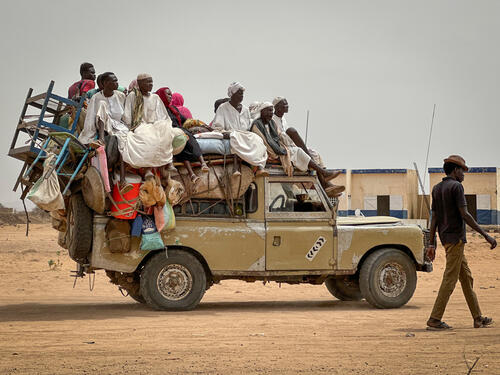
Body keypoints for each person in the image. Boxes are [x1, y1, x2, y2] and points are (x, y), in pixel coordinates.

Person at [426, 155, 497, 330]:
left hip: (446, 240)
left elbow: (434, 218)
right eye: (463, 171)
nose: (464, 174)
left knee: (466, 278)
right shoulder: (456, 187)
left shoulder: (437, 188)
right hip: (456, 240)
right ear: (455, 170)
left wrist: (431, 244)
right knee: (449, 280)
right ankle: (435, 319)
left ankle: (478, 318)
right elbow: (465, 214)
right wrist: (485, 235)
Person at [251, 102, 344, 195]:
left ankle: (325, 181)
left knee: (308, 153)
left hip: (279, 147)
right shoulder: (257, 125)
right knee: (298, 151)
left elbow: (279, 135)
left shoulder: (272, 123)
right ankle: (324, 175)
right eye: (269, 110)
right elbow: (264, 142)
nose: (271, 113)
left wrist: (287, 143)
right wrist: (281, 150)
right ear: (262, 112)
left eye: (272, 110)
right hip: (270, 151)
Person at [118, 74, 174, 171]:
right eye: (148, 82)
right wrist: (131, 127)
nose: (151, 84)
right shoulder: (133, 96)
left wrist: (160, 126)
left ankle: (169, 163)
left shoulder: (155, 97)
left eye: (151, 82)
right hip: (140, 125)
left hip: (155, 125)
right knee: (147, 137)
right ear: (140, 84)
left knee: (167, 132)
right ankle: (147, 169)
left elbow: (162, 116)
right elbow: (127, 116)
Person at [212, 82, 268, 176]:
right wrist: (225, 132)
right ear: (232, 94)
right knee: (235, 137)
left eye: (242, 94)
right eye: (239, 93)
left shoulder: (245, 110)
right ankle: (235, 168)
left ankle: (260, 167)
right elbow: (218, 126)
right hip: (231, 133)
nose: (241, 96)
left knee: (258, 139)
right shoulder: (223, 108)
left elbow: (248, 127)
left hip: (244, 134)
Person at [156, 87, 209, 183]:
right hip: (169, 133)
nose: (170, 96)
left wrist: (202, 124)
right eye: (168, 94)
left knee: (188, 137)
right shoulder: (158, 111)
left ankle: (203, 163)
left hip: (181, 131)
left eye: (171, 94)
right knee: (180, 144)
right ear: (162, 96)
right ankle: (192, 174)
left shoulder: (173, 109)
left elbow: (186, 121)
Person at [79, 72, 128, 145]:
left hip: (118, 126)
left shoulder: (121, 96)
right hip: (103, 125)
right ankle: (101, 139)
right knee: (102, 104)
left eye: (116, 81)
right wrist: (89, 134)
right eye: (114, 81)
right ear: (105, 83)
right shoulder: (95, 97)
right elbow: (90, 117)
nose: (117, 83)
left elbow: (125, 115)